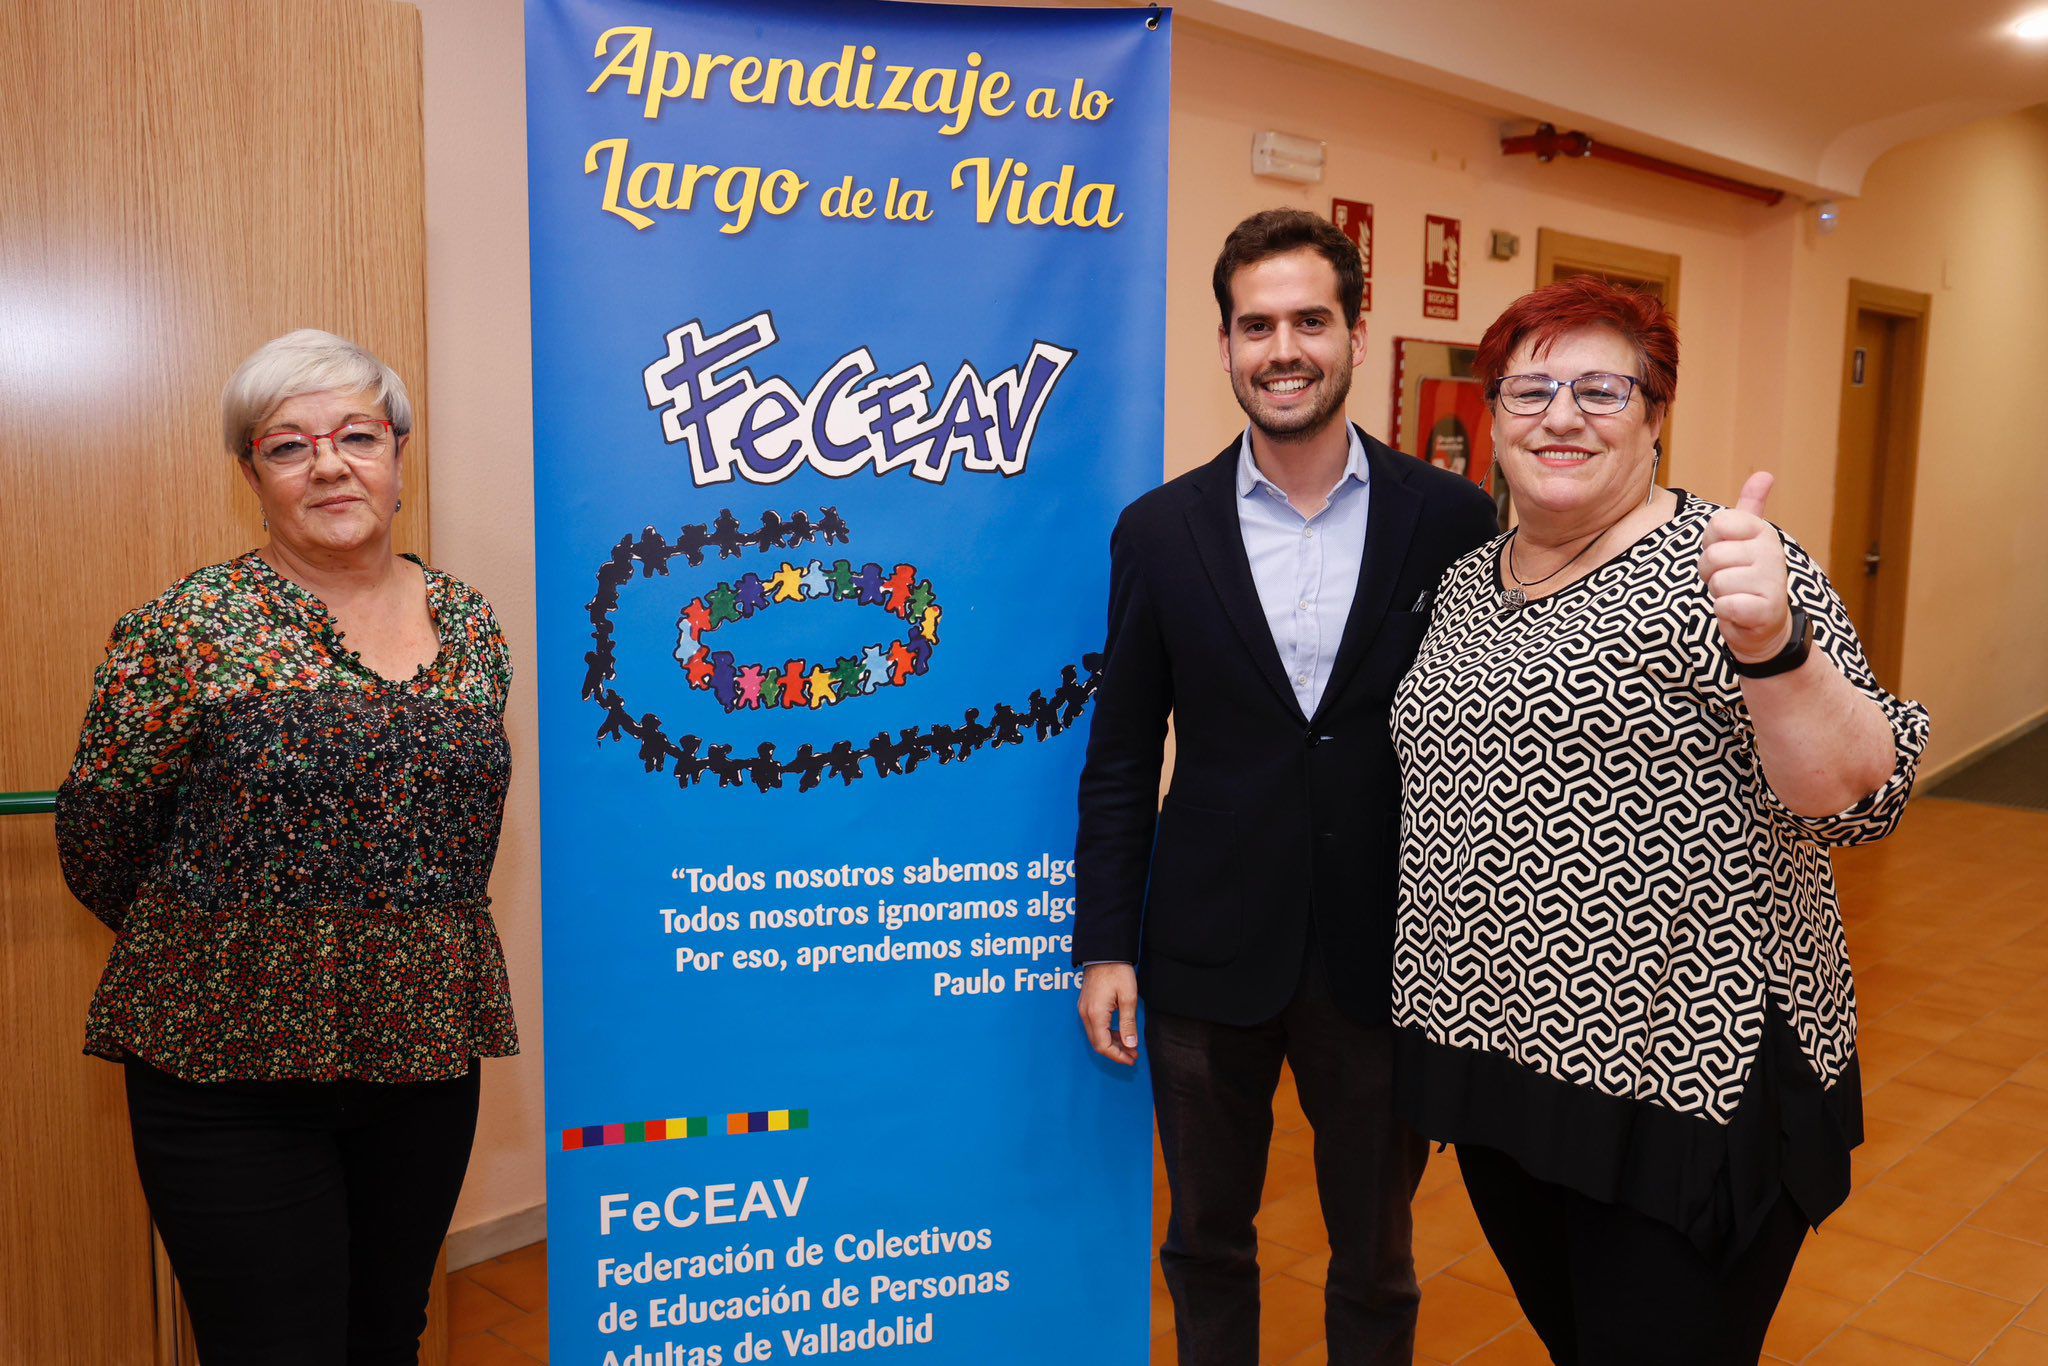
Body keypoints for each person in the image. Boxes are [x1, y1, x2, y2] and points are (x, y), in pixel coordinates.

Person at [1390, 277, 1929, 1364]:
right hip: (1500, 1073)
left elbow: (1861, 798)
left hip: (1683, 1083)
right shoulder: (1464, 582)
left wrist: (1774, 647)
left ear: (1653, 415)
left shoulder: (1729, 565)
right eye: (1530, 389)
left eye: (1602, 389)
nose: (1562, 415)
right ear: (1493, 414)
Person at [1072, 209, 1499, 1364]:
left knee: (1377, 1257)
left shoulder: (1449, 519)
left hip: (1386, 950)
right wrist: (1103, 944)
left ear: (1354, 332)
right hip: (1205, 949)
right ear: (1223, 344)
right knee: (1205, 1242)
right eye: (1255, 325)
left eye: (1309, 320)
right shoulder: (1158, 531)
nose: (1283, 349)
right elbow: (1121, 755)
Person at [54, 329, 520, 1365]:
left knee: (387, 1334)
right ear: (252, 475)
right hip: (226, 1066)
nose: (329, 465)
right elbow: (102, 836)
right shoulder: (184, 627)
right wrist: (241, 944)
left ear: (398, 454)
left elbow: (457, 828)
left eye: (357, 435)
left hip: (420, 1050)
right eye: (288, 445)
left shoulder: (470, 623)